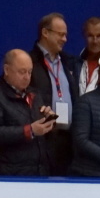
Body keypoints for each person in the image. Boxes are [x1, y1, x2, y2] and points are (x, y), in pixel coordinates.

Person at [0, 49, 56, 176]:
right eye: (22, 72)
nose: (27, 77)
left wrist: (48, 120)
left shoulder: (35, 94)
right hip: (9, 174)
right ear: (6, 70)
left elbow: (41, 132)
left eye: (30, 72)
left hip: (40, 172)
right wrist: (30, 131)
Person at [30, 12, 80, 175]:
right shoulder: (29, 62)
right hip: (42, 138)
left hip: (67, 139)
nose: (65, 39)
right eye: (60, 34)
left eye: (65, 35)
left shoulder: (69, 63)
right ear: (45, 32)